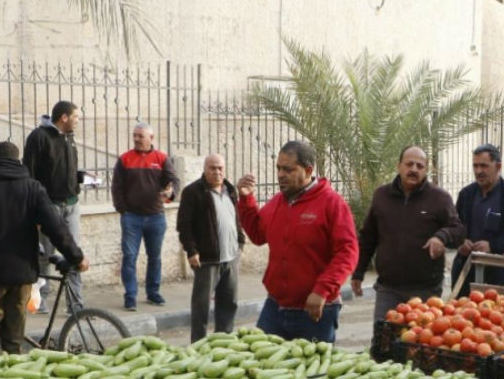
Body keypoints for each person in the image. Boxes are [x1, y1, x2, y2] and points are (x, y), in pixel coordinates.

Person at [0, 141, 89, 362]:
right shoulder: (33, 187)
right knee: (14, 337)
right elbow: (56, 227)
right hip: (22, 273)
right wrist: (76, 257)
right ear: (18, 161)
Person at [237, 140, 359, 343]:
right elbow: (258, 236)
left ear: (308, 170)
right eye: (278, 168)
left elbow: (348, 252)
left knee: (311, 373)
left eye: (288, 169)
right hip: (275, 308)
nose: (280, 174)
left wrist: (322, 290)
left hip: (316, 310)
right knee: (261, 367)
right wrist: (246, 200)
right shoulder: (278, 202)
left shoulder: (332, 203)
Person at [351, 146, 465, 323]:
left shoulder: (439, 198)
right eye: (409, 164)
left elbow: (458, 231)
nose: (414, 169)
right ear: (399, 166)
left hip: (426, 290)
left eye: (420, 166)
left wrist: (441, 236)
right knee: (383, 341)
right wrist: (358, 273)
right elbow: (368, 237)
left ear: (426, 170)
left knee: (419, 344)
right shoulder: (381, 196)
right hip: (388, 288)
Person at [450, 144, 504, 297]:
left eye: (484, 166)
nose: (478, 171)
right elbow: (454, 227)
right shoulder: (466, 195)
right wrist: (460, 242)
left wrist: (492, 246)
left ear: (498, 166)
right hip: (467, 274)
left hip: (503, 278)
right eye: (475, 166)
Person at [111, 122, 180, 311]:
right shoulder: (124, 159)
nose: (136, 139)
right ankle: (130, 296)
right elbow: (116, 187)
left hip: (156, 217)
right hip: (131, 217)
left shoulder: (161, 158)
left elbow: (174, 180)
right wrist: (122, 210)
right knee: (130, 256)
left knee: (155, 257)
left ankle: (153, 293)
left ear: (151, 138)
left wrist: (170, 191)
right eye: (134, 135)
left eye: (140, 136)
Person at [23, 100, 83, 313]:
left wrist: (79, 179)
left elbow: (63, 169)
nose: (78, 120)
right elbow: (29, 175)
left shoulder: (69, 137)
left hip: (72, 204)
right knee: (45, 256)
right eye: (75, 116)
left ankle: (75, 304)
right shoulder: (39, 137)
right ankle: (39, 302)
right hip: (49, 206)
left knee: (74, 252)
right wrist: (35, 211)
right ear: (64, 117)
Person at [177, 153, 243, 341]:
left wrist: (240, 242)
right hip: (207, 259)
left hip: (230, 258)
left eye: (220, 168)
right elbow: (184, 225)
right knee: (201, 306)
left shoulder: (230, 190)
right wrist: (191, 251)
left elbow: (235, 218)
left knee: (229, 303)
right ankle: (198, 344)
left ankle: (223, 342)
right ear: (205, 169)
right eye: (212, 168)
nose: (217, 172)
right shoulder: (193, 192)